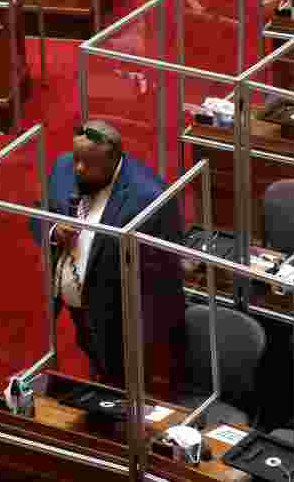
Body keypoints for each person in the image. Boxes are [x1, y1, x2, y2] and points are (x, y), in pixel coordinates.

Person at [42, 121, 184, 394]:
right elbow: (41, 212)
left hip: (120, 316)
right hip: (76, 304)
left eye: (88, 163)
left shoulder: (150, 198)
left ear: (113, 162)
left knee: (121, 379)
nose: (78, 169)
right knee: (92, 351)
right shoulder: (63, 168)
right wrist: (53, 231)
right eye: (77, 159)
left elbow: (162, 274)